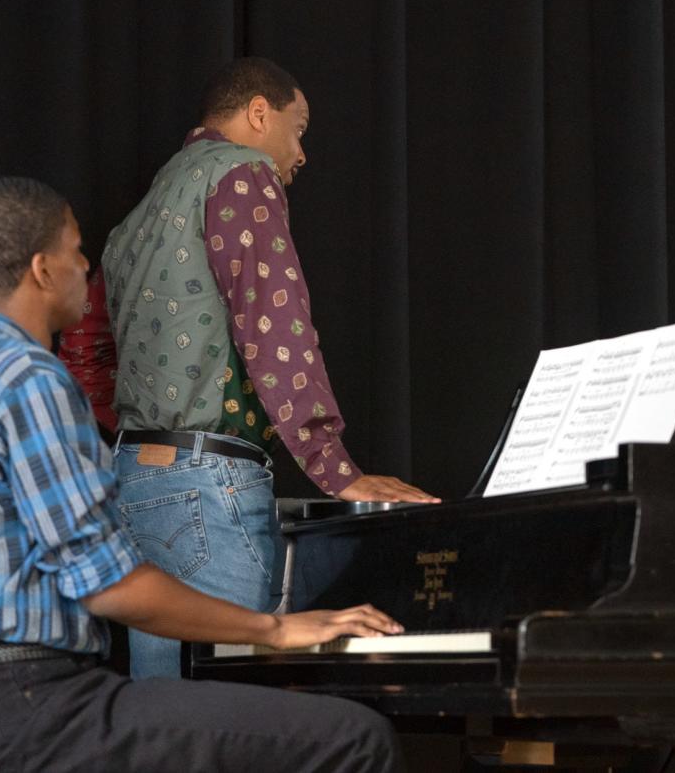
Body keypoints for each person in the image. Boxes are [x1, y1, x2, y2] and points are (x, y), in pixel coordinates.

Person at [0, 177, 406, 772]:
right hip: (28, 708)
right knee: (356, 739)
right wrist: (277, 629)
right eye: (77, 250)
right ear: (42, 269)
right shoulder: (29, 379)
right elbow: (108, 586)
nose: (87, 267)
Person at [94, 57, 438, 678]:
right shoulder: (244, 173)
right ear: (259, 112)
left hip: (136, 479)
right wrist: (334, 468)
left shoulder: (141, 211)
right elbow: (275, 326)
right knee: (226, 706)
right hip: (207, 481)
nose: (301, 153)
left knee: (166, 712)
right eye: (298, 128)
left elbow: (90, 350)